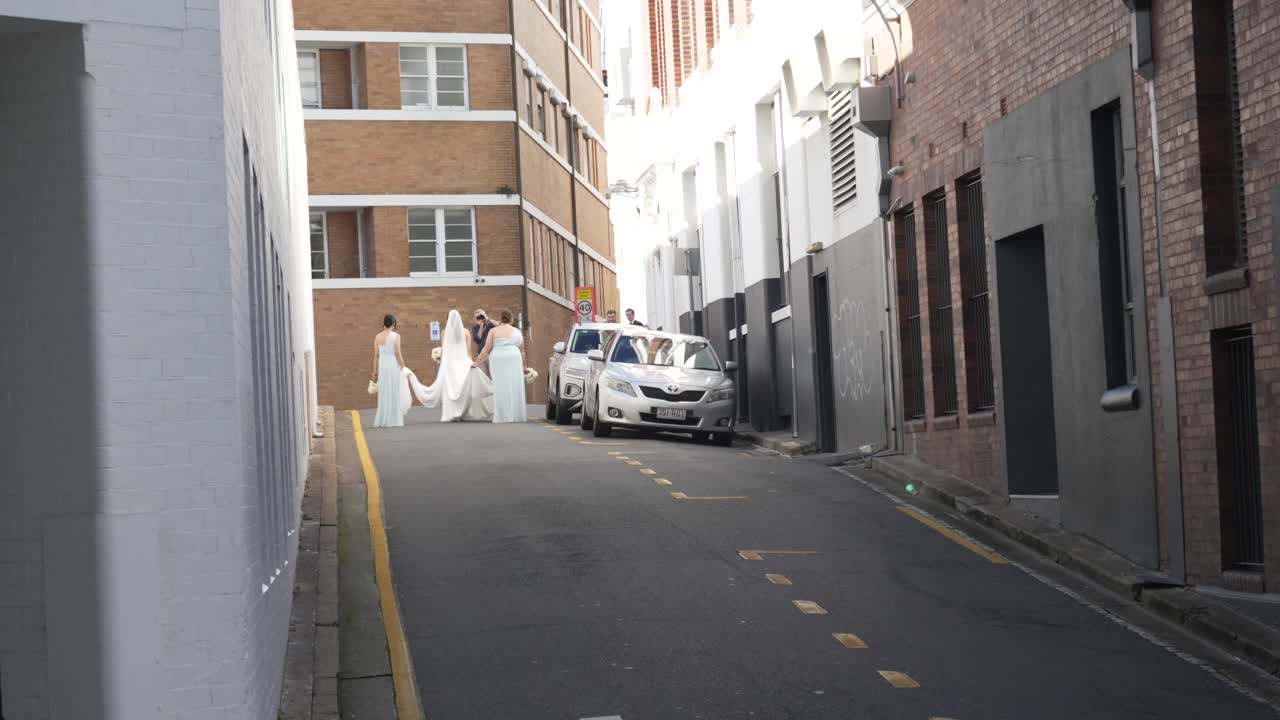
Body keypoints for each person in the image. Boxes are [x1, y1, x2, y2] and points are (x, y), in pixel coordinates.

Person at [402, 310, 494, 422]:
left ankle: (452, 413)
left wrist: (441, 361)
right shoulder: (465, 332)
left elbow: (444, 350)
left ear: (448, 320)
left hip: (450, 364)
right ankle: (463, 412)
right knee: (464, 388)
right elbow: (469, 351)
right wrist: (471, 363)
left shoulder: (445, 332)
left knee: (451, 389)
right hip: (464, 362)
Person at [473, 308, 527, 423]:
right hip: (514, 358)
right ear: (511, 319)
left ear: (500, 319)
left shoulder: (494, 331)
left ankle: (502, 414)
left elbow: (486, 349)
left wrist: (476, 362)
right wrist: (524, 366)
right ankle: (515, 414)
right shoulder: (517, 332)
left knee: (500, 385)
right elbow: (522, 351)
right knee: (514, 384)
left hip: (498, 359)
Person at [372, 314, 407, 428]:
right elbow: (397, 353)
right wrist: (403, 366)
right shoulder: (396, 336)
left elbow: (376, 355)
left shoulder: (377, 336)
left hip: (383, 365)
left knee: (384, 391)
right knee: (394, 390)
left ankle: (383, 418)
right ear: (393, 324)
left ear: (384, 323)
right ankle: (393, 418)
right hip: (393, 364)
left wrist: (375, 372)